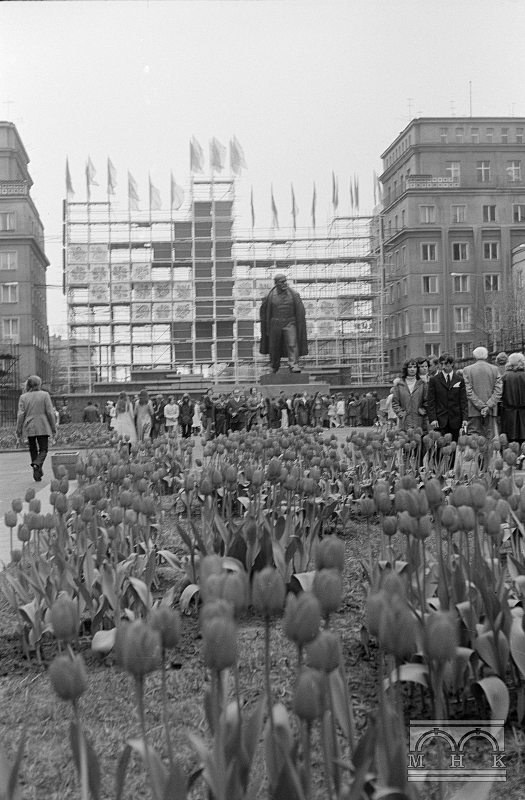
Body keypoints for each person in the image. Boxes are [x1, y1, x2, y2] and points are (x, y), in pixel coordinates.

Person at [259, 273, 308, 373]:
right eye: (282, 282)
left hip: (290, 322)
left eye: (285, 281)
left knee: (292, 343)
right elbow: (264, 313)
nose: (285, 283)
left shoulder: (294, 295)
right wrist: (267, 327)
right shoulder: (269, 296)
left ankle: (293, 364)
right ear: (276, 283)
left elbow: (300, 310)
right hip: (275, 323)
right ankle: (274, 366)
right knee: (274, 346)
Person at [16, 375, 57, 482]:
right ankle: (37, 464)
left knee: (33, 449)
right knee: (44, 449)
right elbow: (49, 412)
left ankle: (37, 472)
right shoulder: (45, 395)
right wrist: (53, 427)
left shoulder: (23, 397)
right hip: (42, 424)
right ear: (39, 384)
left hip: (29, 425)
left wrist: (18, 429)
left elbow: (21, 414)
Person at [462, 346, 503, 439]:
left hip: (473, 410)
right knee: (490, 438)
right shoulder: (495, 369)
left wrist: (481, 406)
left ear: (474, 356)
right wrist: (488, 406)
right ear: (486, 355)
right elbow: (498, 390)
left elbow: (468, 391)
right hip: (491, 410)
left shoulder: (467, 370)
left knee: (474, 439)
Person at [426, 353, 468, 442]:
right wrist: (433, 418)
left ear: (452, 364)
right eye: (441, 364)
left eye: (446, 364)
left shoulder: (459, 380)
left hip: (456, 419)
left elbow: (463, 400)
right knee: (440, 446)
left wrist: (465, 418)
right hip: (440, 419)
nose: (443, 367)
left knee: (453, 446)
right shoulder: (434, 380)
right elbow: (431, 401)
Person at [391, 358, 427, 431]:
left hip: (419, 421)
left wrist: (423, 411)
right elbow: (395, 403)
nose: (412, 369)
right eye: (410, 367)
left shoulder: (422, 384)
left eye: (414, 367)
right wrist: (401, 414)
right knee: (404, 440)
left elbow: (427, 401)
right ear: (406, 369)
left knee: (418, 440)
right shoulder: (399, 385)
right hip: (404, 422)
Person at [500, 352, 525, 446]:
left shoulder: (505, 377)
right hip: (523, 414)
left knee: (510, 443)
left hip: (508, 414)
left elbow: (499, 396)